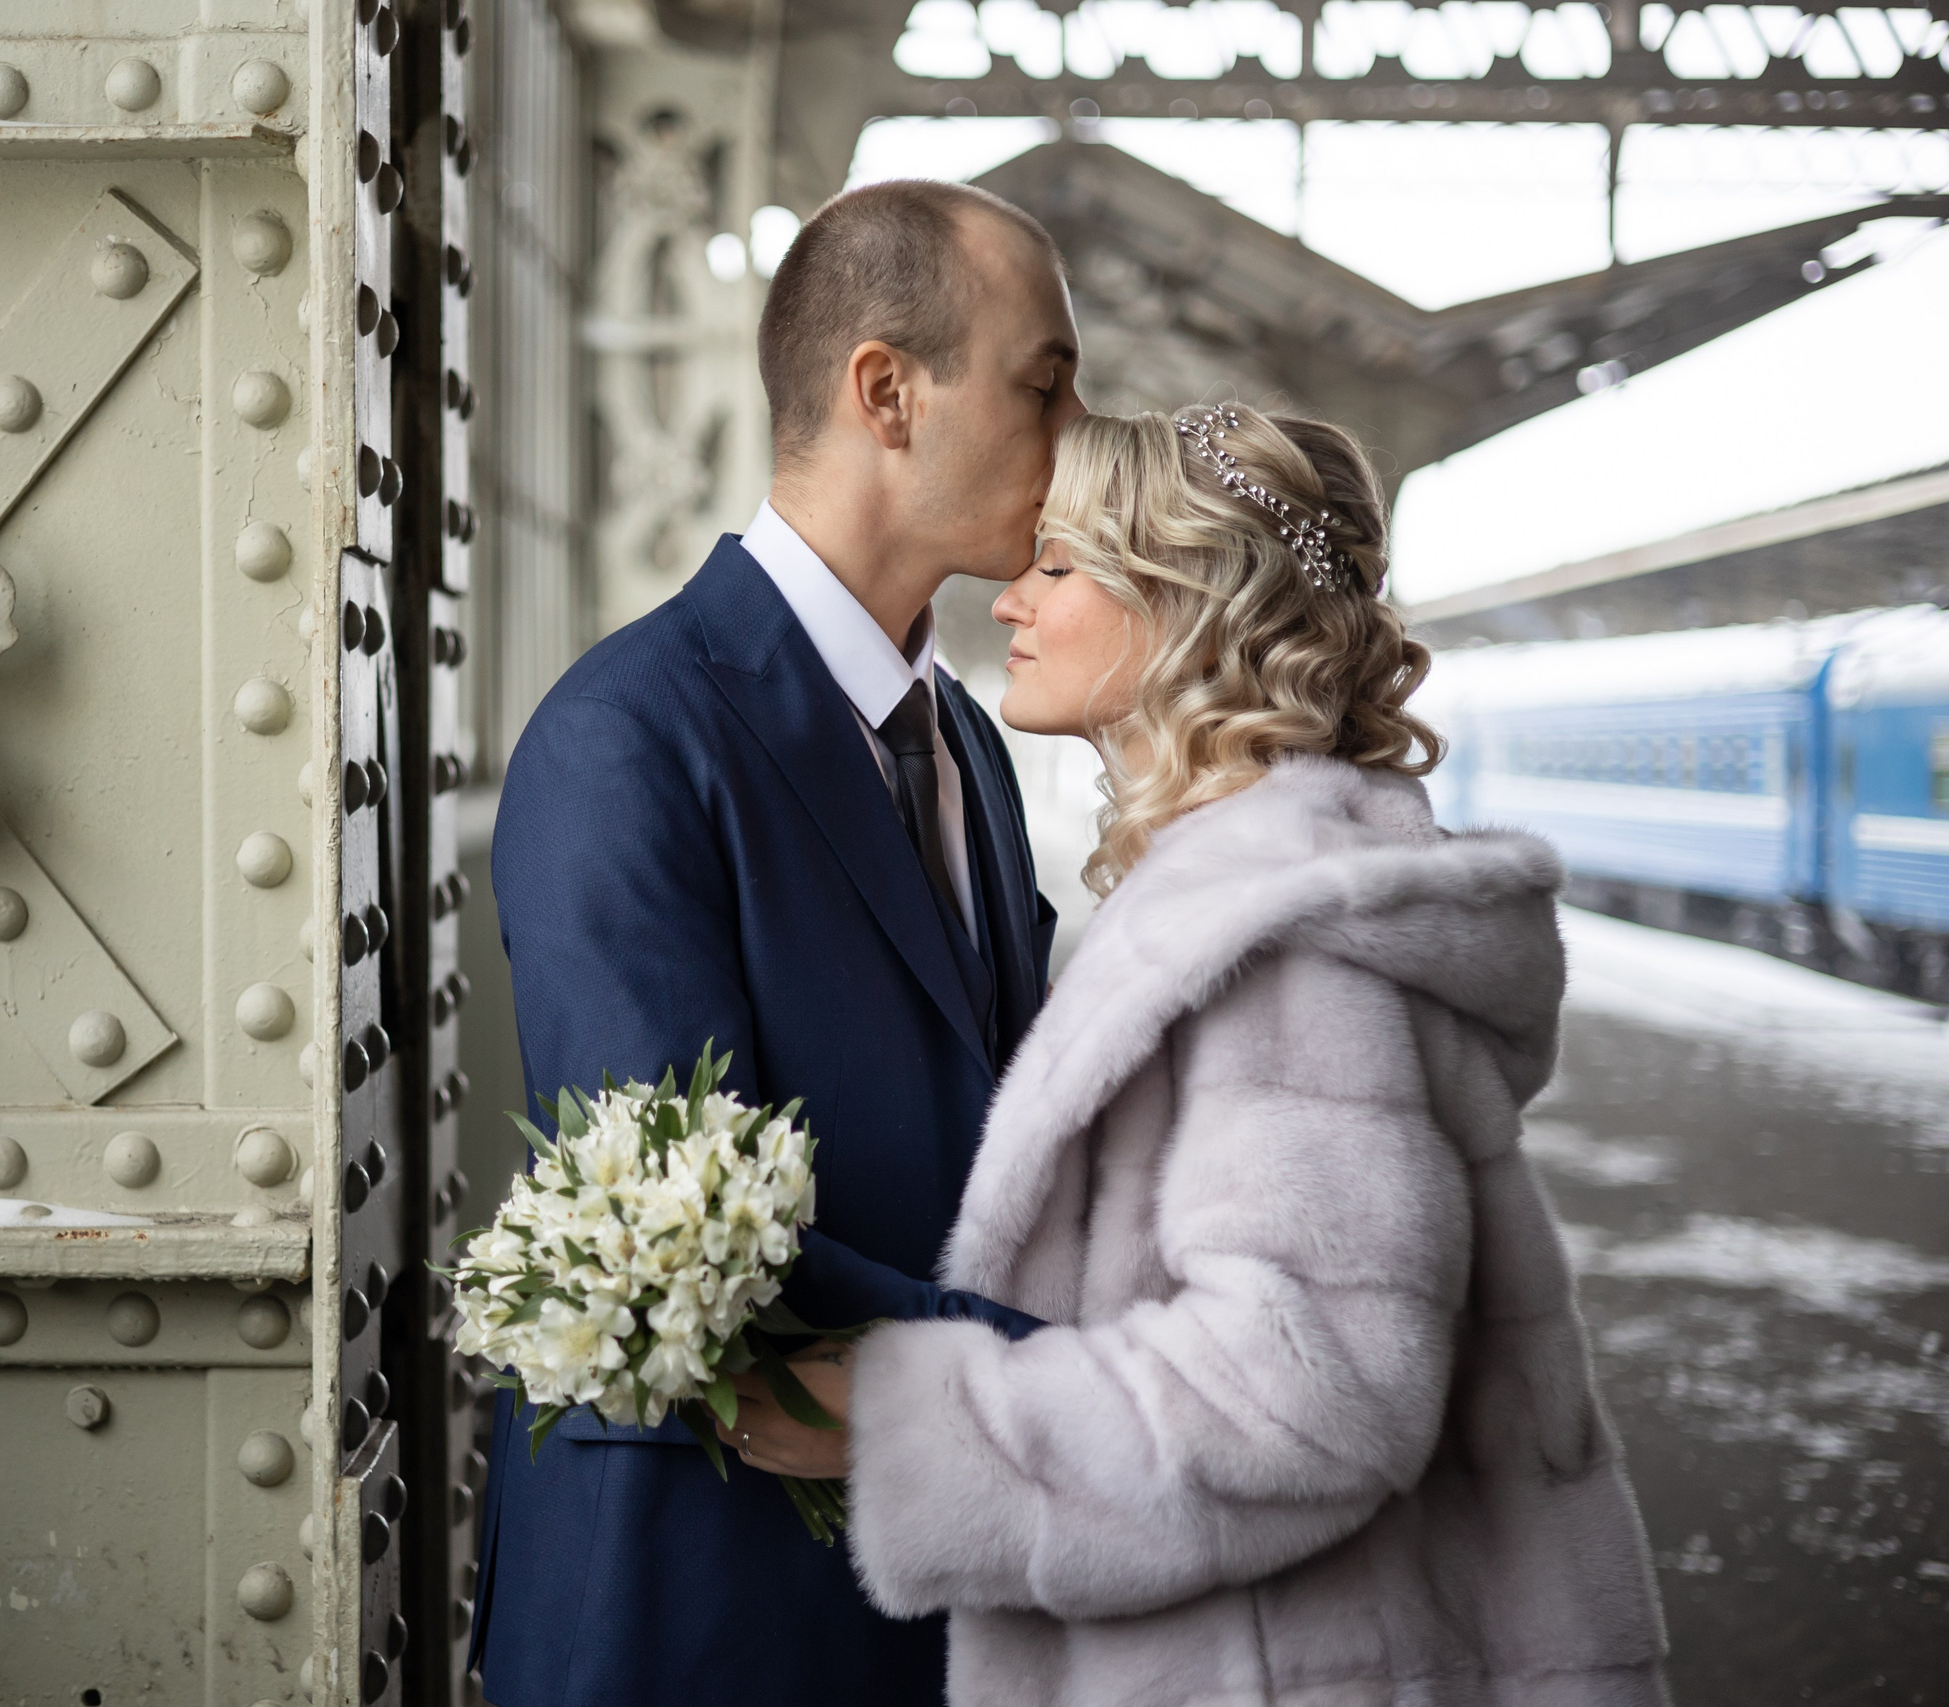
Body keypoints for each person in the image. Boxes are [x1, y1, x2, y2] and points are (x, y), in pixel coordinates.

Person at [728, 405, 1671, 1706]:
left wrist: (906, 1425)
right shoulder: (1263, 899)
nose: (1008, 599)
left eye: (1057, 567)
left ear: (1186, 608)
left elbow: (1307, 1393)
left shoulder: (1275, 950)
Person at [473, 180, 1082, 1707]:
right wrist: (1100, 1374)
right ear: (888, 390)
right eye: (1047, 382)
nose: (1080, 435)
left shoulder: (970, 747)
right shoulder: (628, 736)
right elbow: (710, 1248)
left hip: (925, 1577)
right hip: (699, 1601)